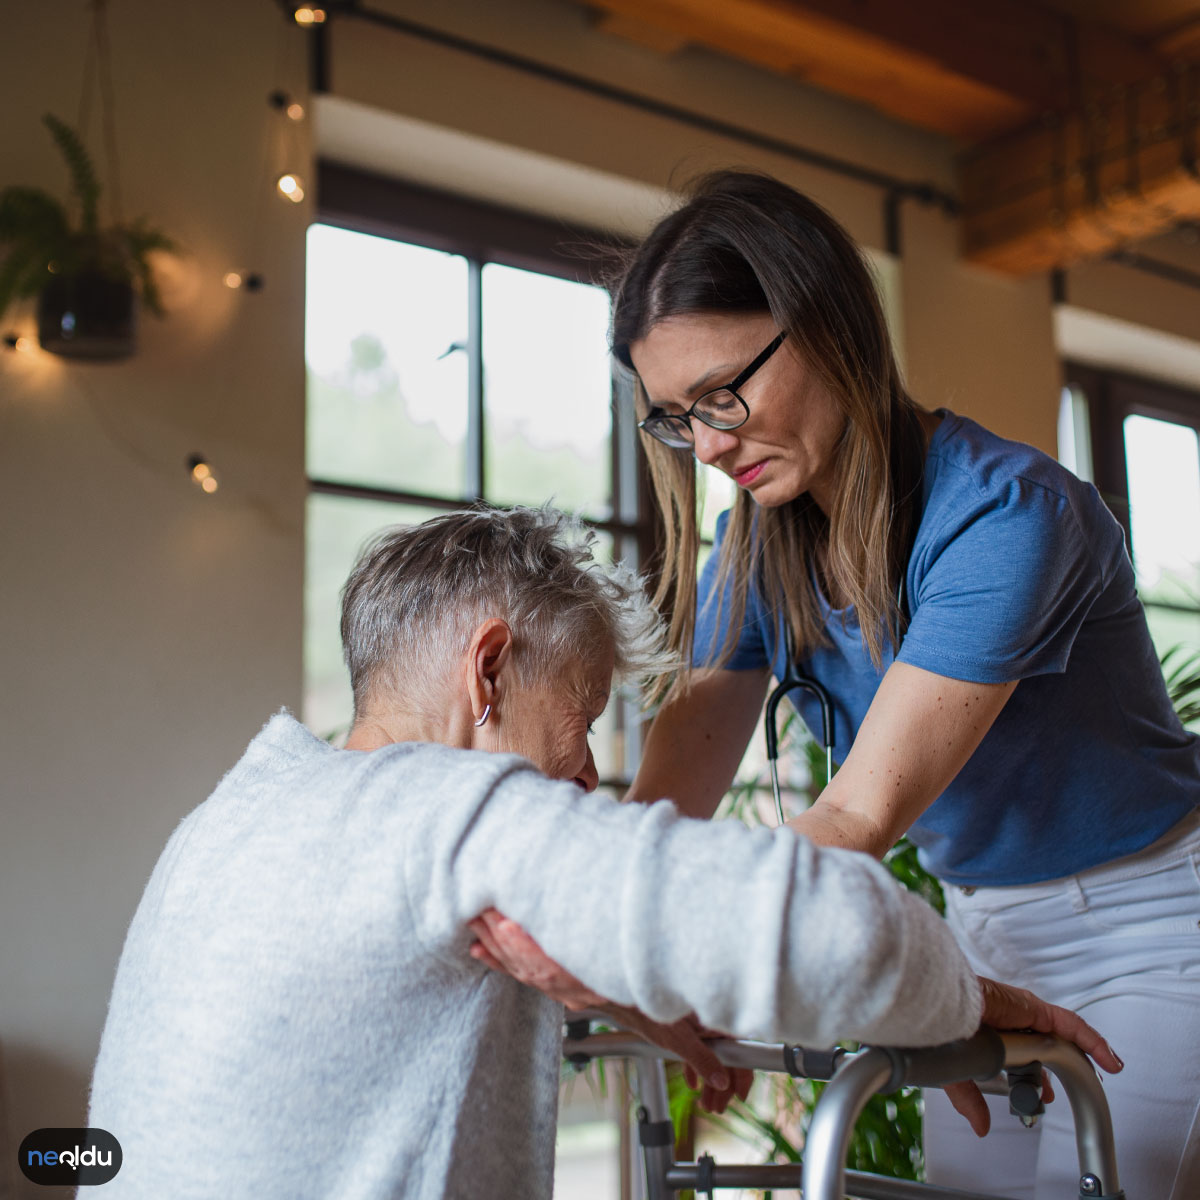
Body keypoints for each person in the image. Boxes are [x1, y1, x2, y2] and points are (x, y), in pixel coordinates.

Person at [469, 173, 1200, 1200]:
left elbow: (857, 814)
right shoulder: (753, 552)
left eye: (726, 392)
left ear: (830, 327)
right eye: (680, 418)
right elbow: (663, 812)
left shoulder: (1007, 518)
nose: (712, 445)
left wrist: (634, 943)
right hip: (981, 926)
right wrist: (580, 937)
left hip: (1148, 921)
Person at [84, 507, 1117, 1200]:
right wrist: (966, 1004)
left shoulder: (243, 811)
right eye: (579, 720)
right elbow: (844, 933)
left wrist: (616, 978)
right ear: (489, 671)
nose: (587, 780)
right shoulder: (444, 808)